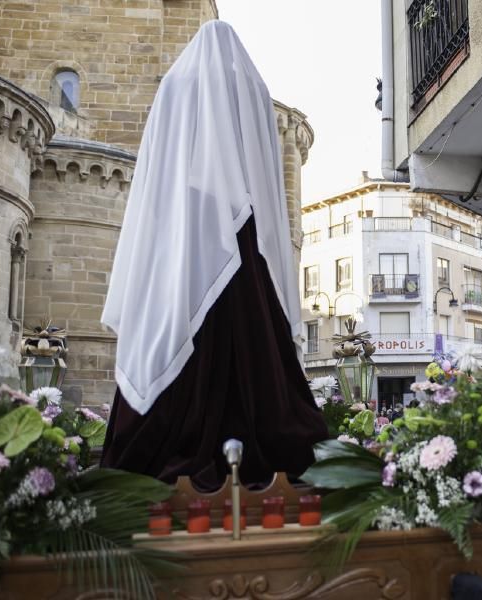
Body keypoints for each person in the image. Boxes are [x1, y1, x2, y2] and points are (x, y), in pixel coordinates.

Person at [99, 21, 327, 489]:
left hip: (184, 229)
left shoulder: (177, 84)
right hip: (244, 234)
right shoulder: (251, 84)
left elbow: (163, 171)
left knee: (177, 328)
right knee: (256, 344)